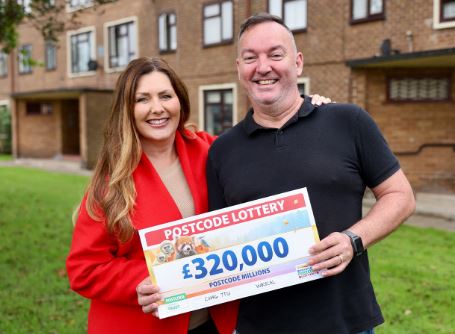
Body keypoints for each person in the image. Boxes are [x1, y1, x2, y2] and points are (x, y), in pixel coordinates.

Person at [205, 13, 416, 334]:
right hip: (258, 325)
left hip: (345, 321)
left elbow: (400, 196)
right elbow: (218, 244)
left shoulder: (348, 122)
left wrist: (353, 240)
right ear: (239, 69)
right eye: (251, 58)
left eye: (276, 55)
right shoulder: (222, 150)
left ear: (298, 63)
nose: (263, 67)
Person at [65, 57, 239, 334]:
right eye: (142, 99)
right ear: (128, 109)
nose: (157, 108)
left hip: (212, 323)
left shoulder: (209, 150)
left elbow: (261, 151)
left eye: (165, 96)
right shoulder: (111, 182)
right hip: (143, 326)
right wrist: (140, 280)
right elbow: (83, 269)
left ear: (179, 101)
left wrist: (309, 113)